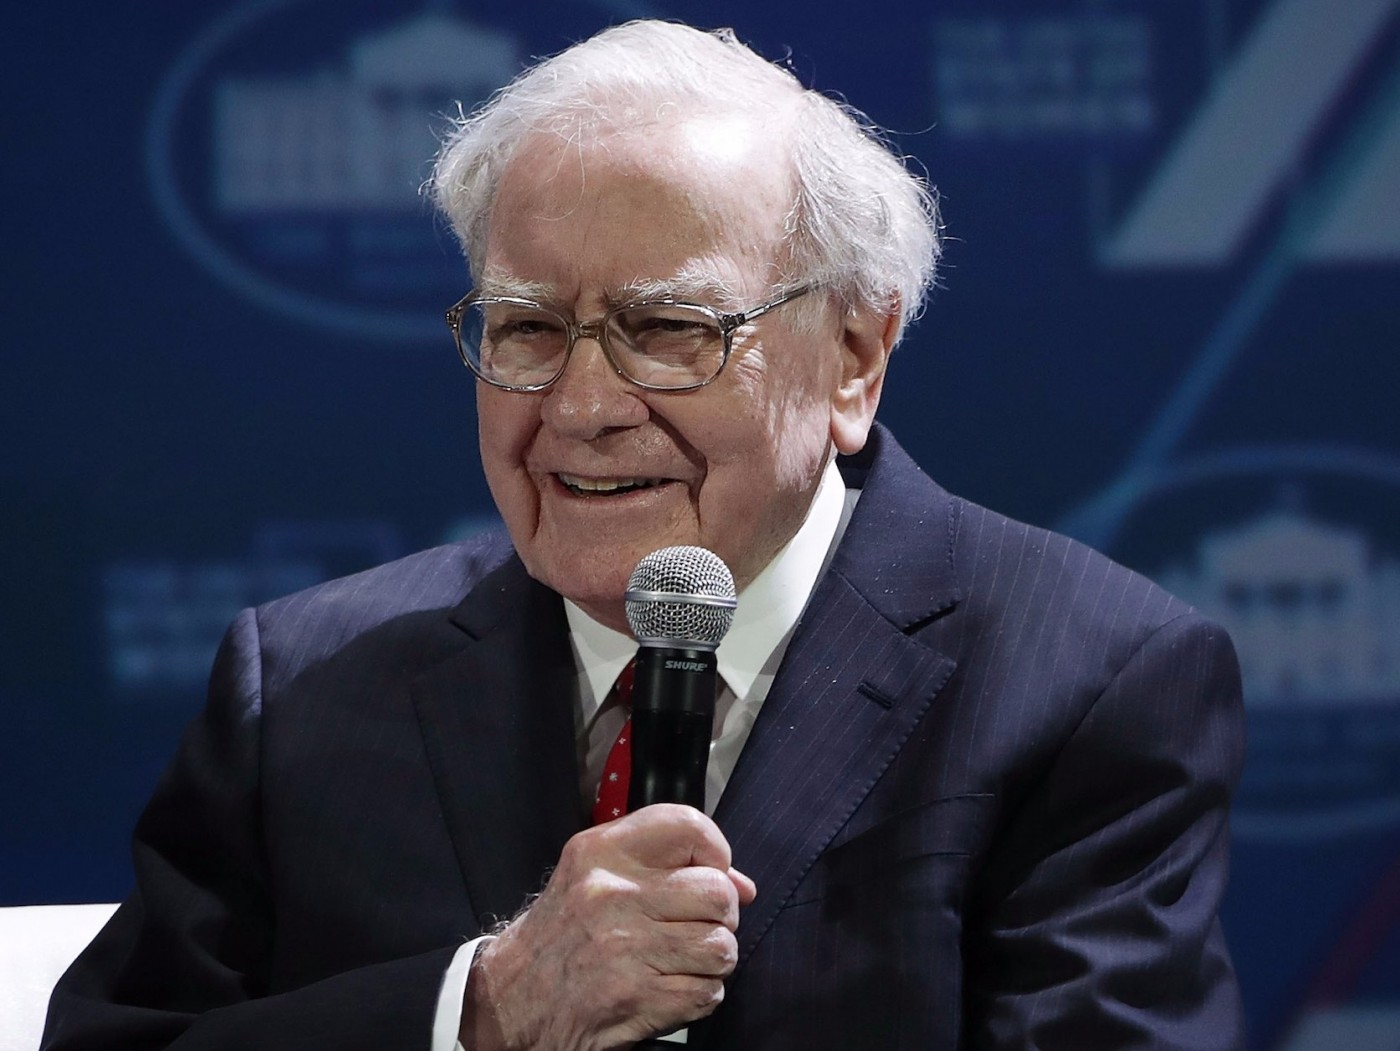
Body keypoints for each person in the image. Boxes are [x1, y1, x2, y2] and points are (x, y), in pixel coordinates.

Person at [43, 19, 1245, 1051]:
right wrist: (483, 1011)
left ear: (853, 357)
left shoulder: (1082, 681)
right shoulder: (304, 683)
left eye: (668, 329)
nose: (579, 406)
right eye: (526, 328)